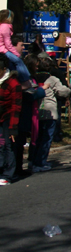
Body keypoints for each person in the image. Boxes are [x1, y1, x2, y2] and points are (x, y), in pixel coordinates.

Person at [30, 56, 69, 173]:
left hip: (36, 111)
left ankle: (32, 161)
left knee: (36, 138)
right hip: (49, 112)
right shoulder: (52, 79)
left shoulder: (33, 78)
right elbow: (63, 91)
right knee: (46, 139)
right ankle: (41, 162)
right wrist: (69, 90)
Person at [0, 53, 23, 185]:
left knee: (7, 145)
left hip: (8, 118)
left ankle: (8, 174)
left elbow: (16, 106)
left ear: (4, 70)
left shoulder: (13, 83)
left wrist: (13, 128)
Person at [0, 10, 31, 85]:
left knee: (12, 64)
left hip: (2, 48)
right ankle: (26, 79)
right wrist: (16, 54)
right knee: (18, 61)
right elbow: (8, 44)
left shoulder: (2, 26)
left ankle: (17, 80)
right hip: (2, 49)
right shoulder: (5, 27)